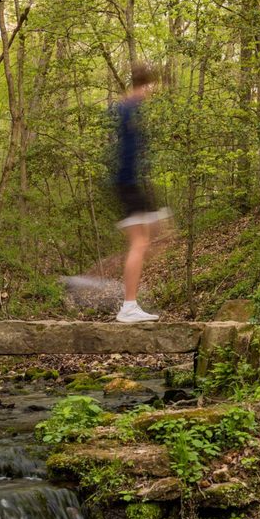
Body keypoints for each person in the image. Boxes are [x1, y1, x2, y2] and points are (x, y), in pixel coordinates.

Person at [113, 62, 171, 324]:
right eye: (151, 87)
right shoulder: (130, 108)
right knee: (141, 241)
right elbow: (130, 153)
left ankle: (130, 304)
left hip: (127, 180)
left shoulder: (128, 108)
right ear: (145, 85)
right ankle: (128, 306)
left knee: (145, 238)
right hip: (128, 180)